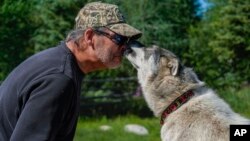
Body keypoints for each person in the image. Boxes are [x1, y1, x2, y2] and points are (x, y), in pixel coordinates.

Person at [0, 2, 142, 141]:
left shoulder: (59, 64)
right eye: (119, 38)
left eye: (127, 41)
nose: (125, 47)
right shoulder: (58, 79)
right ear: (89, 36)